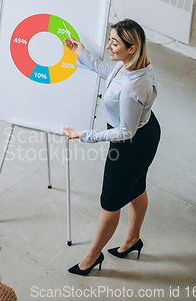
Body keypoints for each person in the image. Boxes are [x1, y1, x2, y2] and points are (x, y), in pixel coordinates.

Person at [62, 19, 161, 275]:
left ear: (132, 48)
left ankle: (91, 257)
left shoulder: (132, 87)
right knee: (136, 187)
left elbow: (125, 131)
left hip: (131, 144)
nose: (108, 46)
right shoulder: (132, 65)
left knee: (110, 202)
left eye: (114, 43)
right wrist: (81, 53)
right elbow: (110, 74)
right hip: (144, 133)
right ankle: (132, 240)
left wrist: (84, 134)